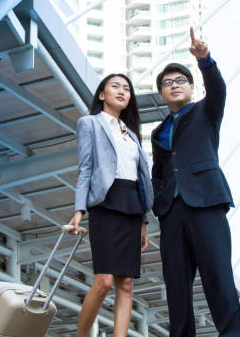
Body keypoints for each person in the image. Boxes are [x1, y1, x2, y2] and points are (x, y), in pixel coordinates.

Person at [151, 27, 240, 336]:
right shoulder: (158, 131)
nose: (174, 85)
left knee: (218, 275)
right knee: (177, 287)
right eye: (167, 83)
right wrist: (159, 205)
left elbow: (218, 89)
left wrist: (204, 60)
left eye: (180, 81)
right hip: (172, 212)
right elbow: (159, 171)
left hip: (205, 202)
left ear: (191, 88)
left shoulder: (206, 111)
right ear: (162, 94)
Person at [68, 73, 154, 337]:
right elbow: (85, 168)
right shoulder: (89, 123)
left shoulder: (132, 135)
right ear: (102, 95)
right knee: (104, 281)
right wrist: (78, 210)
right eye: (115, 86)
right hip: (105, 203)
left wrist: (143, 221)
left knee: (126, 283)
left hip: (132, 205)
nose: (122, 91)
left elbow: (140, 178)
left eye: (126, 88)